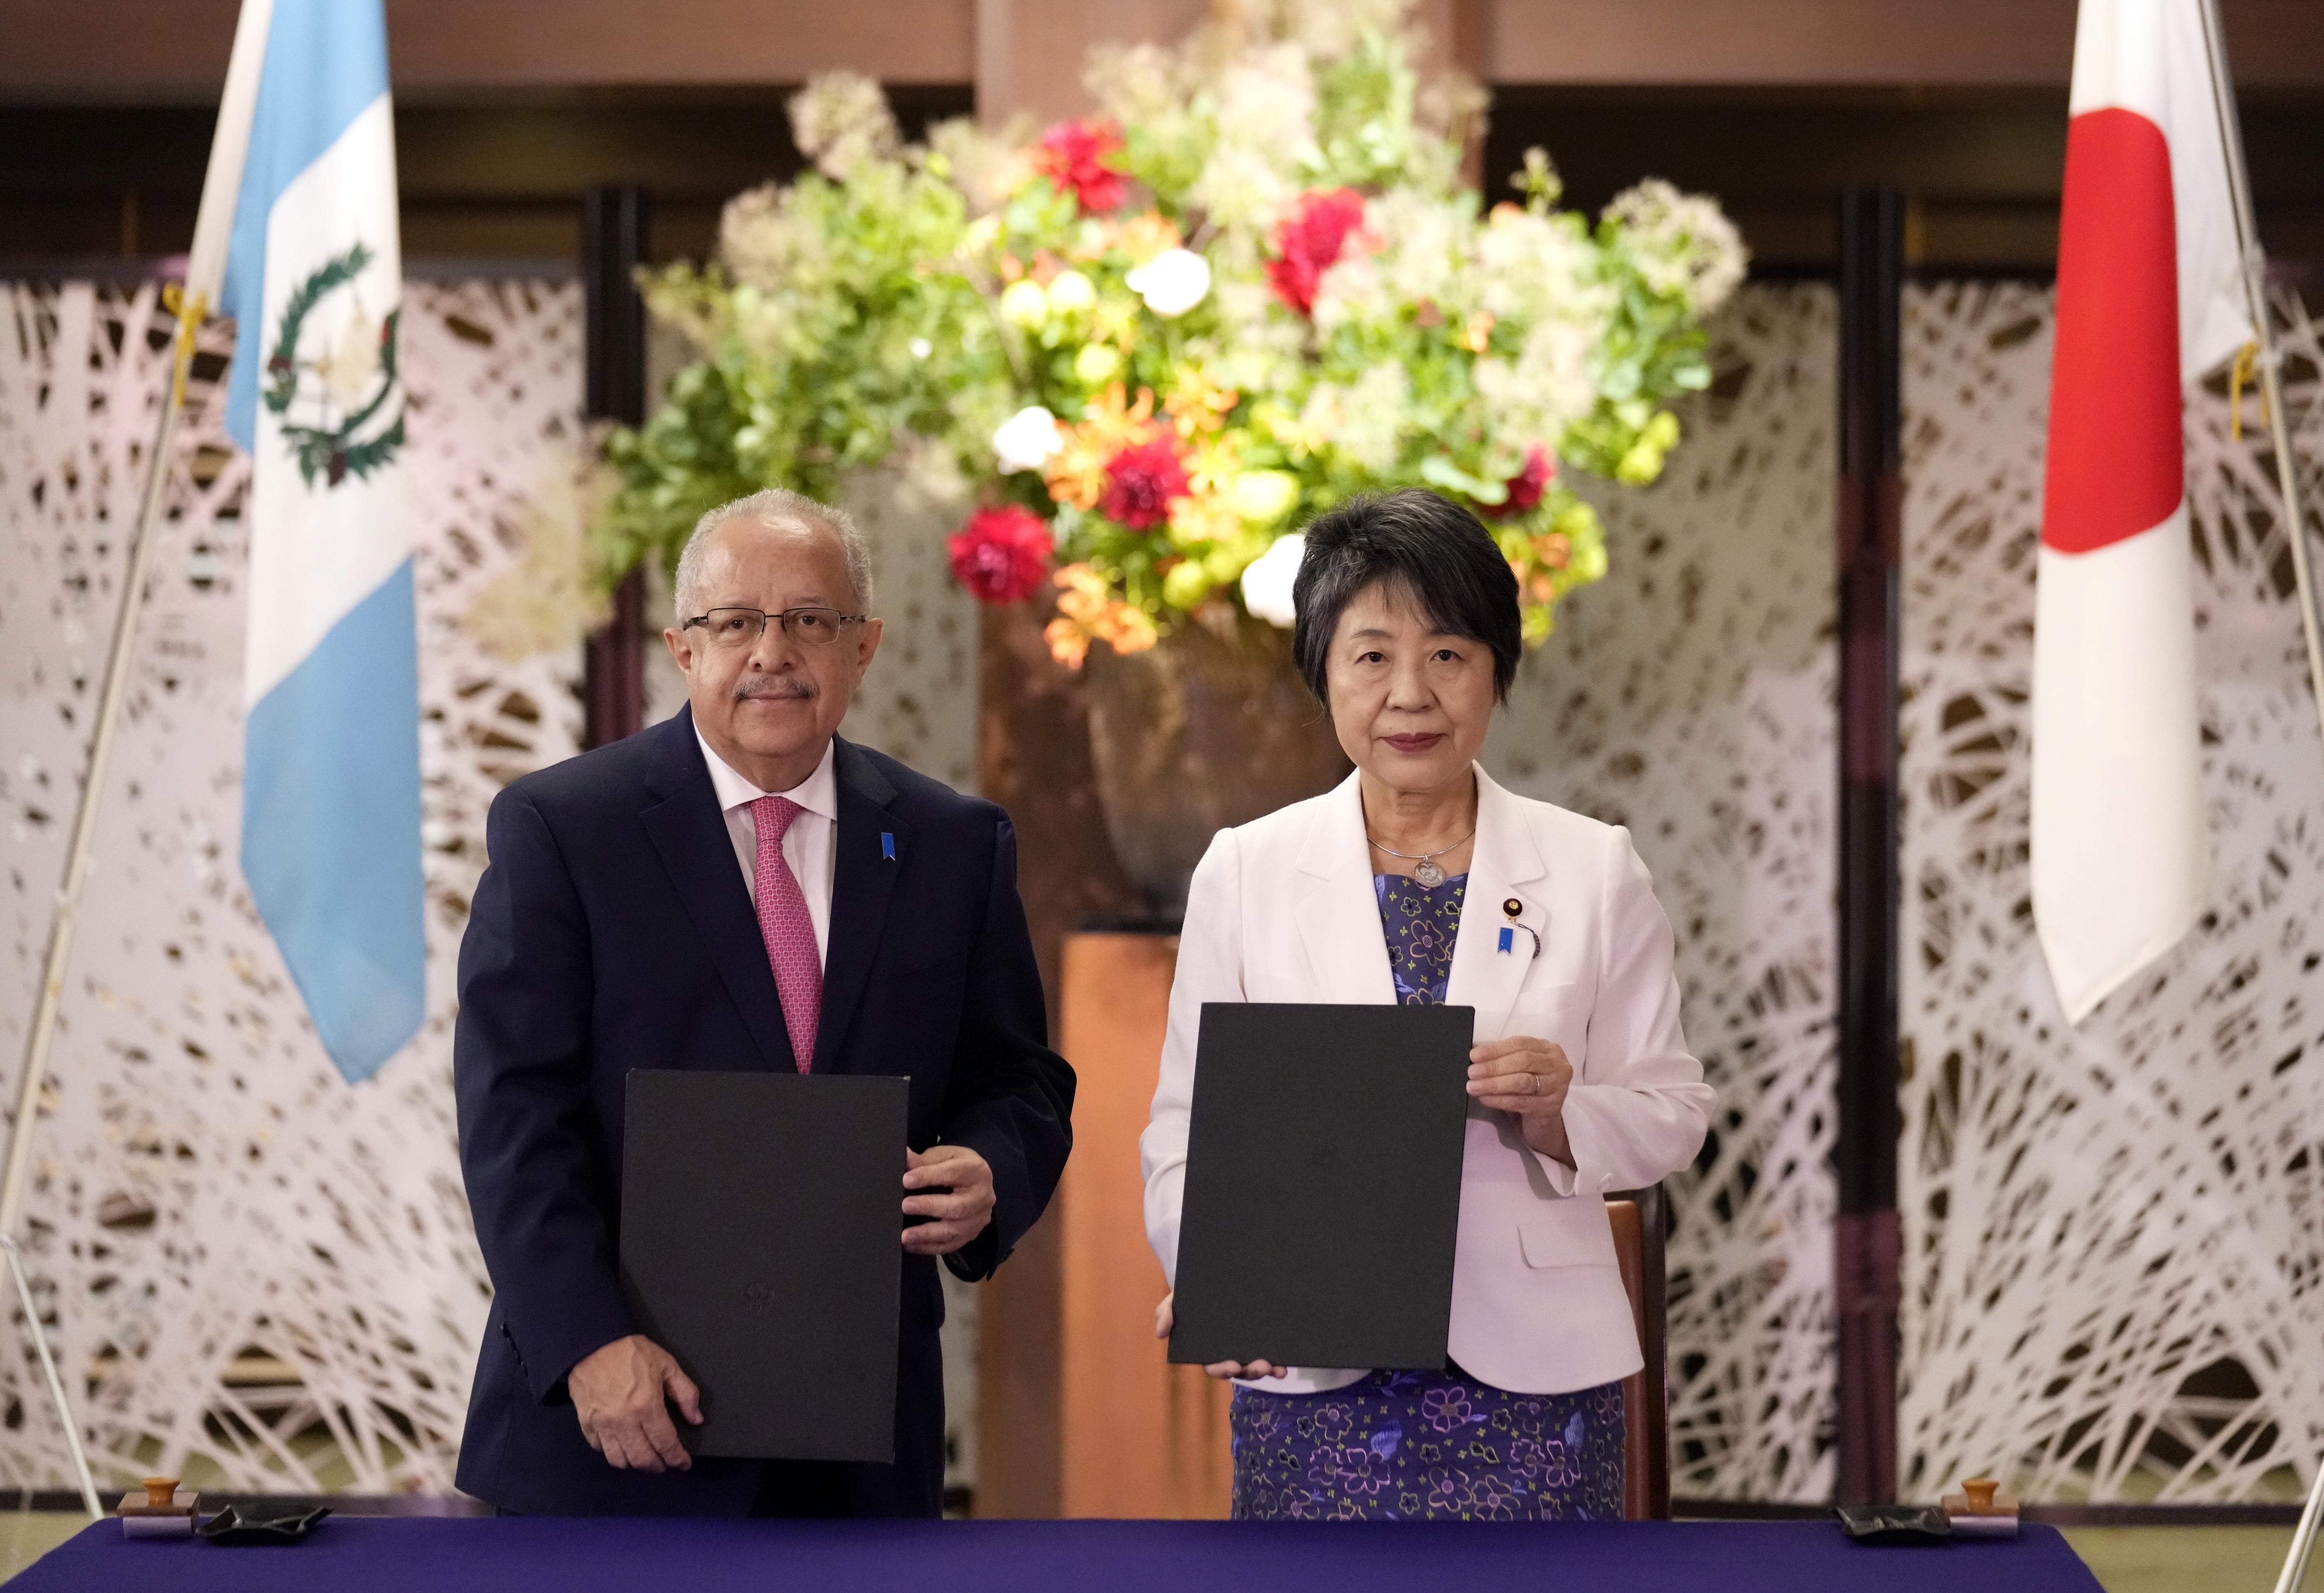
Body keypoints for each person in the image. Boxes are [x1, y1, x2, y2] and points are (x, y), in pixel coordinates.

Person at [454, 488, 1075, 1517]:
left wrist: (991, 1168)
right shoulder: (565, 830)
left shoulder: (953, 844)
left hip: (860, 1437)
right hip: (618, 1419)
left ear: (864, 645)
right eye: (734, 621)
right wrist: (587, 1344)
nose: (771, 652)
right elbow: (513, 1115)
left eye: (810, 620)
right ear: (682, 647)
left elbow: (1019, 1077)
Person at [1142, 488, 1713, 1521]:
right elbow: (1187, 1132)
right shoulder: (1246, 869)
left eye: (1448, 654)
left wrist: (1561, 1108)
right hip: (1311, 1367)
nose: (1411, 692)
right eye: (1371, 655)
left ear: (1498, 670)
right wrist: (1217, 1279)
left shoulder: (1592, 867)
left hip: (1534, 1381)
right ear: (1322, 671)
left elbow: (1673, 1110)